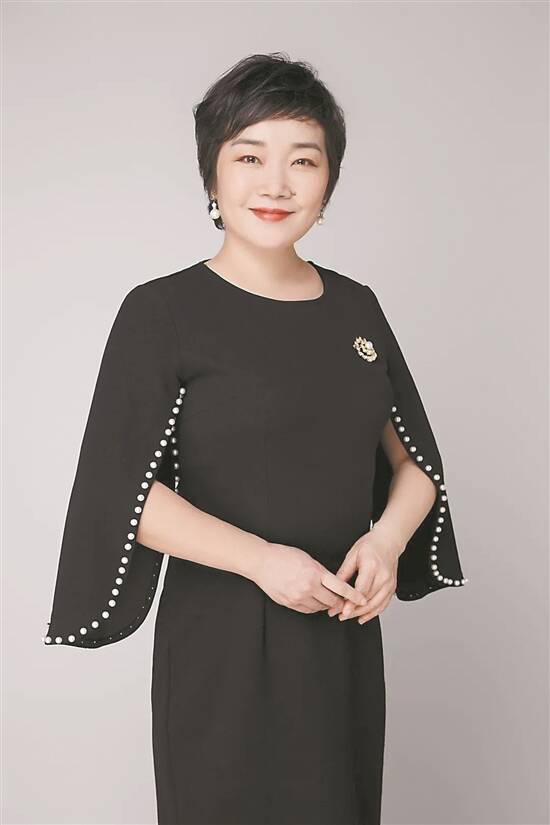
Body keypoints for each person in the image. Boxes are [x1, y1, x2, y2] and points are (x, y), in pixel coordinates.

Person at [43, 52, 468, 825]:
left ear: (328, 182)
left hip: (341, 635)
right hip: (222, 644)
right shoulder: (162, 312)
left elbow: (414, 464)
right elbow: (124, 493)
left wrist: (386, 543)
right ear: (212, 173)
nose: (276, 183)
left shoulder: (357, 309)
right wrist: (263, 561)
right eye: (249, 157)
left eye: (303, 160)